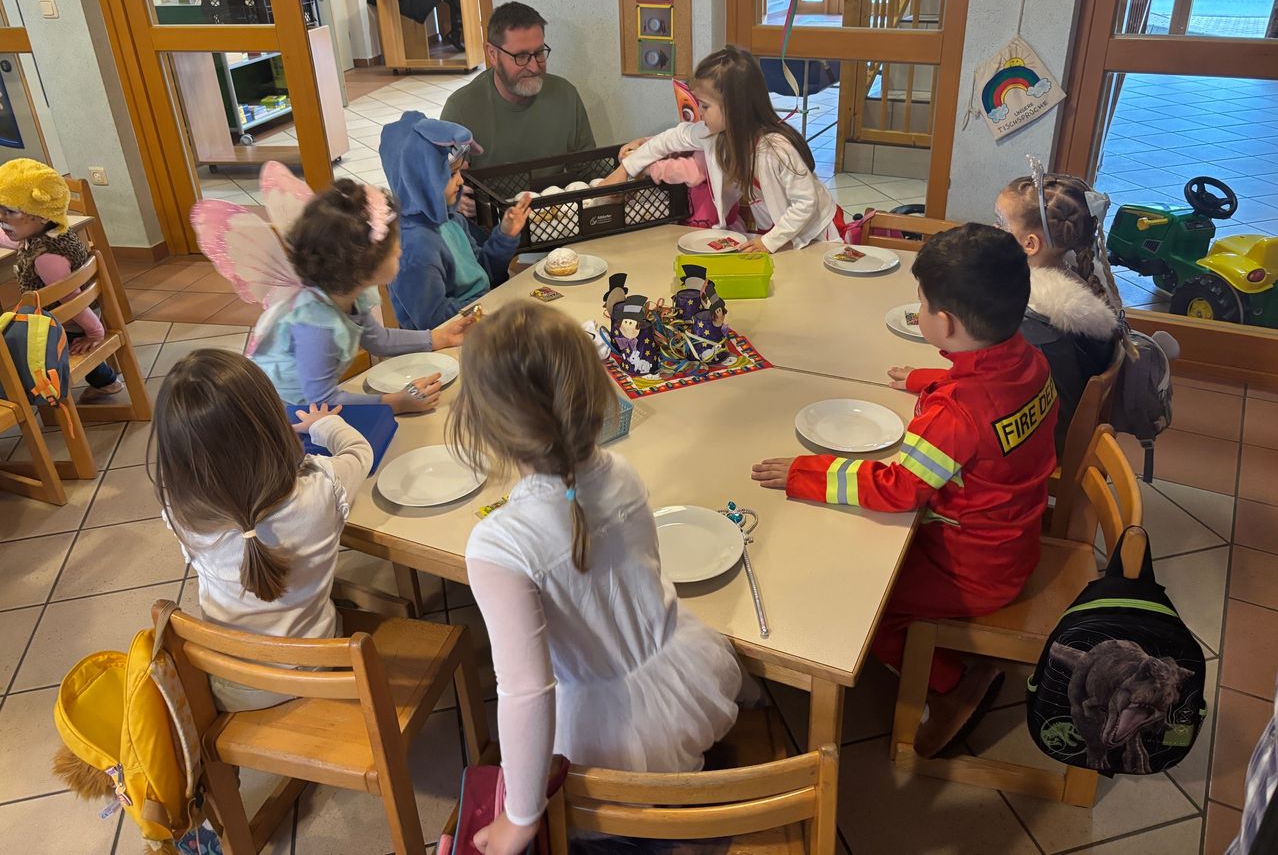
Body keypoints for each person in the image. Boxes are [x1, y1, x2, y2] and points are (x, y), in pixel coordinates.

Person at [752, 225, 1058, 758]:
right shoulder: (1030, 359)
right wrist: (927, 378)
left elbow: (897, 488)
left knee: (873, 606)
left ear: (946, 323)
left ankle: (953, 684)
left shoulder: (955, 415)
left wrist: (806, 471)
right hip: (1013, 535)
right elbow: (989, 389)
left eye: (920, 304)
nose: (917, 311)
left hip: (974, 564)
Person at [448, 301, 741, 855]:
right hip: (676, 679)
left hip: (605, 733)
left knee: (608, 837)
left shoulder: (498, 545)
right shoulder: (622, 473)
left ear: (487, 423)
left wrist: (520, 815)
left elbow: (526, 692)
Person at [150, 349, 372, 711]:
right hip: (319, 669)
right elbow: (359, 451)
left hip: (233, 687)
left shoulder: (181, 516)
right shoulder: (321, 487)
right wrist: (323, 424)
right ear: (272, 423)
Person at [250, 179, 471, 412]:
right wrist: (393, 403)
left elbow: (378, 340)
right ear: (365, 264)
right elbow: (321, 401)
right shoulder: (317, 324)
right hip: (278, 413)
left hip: (310, 406)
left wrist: (438, 338)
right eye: (393, 243)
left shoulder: (347, 293)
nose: (400, 249)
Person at [604, 46, 843, 254]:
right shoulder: (715, 134)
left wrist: (769, 242)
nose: (699, 111)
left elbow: (805, 203)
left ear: (733, 108)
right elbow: (673, 137)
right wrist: (627, 167)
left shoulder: (776, 149)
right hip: (777, 235)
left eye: (705, 105)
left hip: (815, 236)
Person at [996, 172, 1124, 454]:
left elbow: (1009, 389)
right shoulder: (1073, 276)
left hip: (1037, 439)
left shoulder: (1033, 315)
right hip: (1052, 420)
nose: (995, 228)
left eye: (1001, 223)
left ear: (1030, 244)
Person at [379, 112, 530, 330]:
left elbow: (484, 274)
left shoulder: (451, 220)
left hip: (476, 321)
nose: (460, 180)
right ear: (418, 180)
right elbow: (434, 322)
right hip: (450, 342)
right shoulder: (413, 247)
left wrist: (505, 235)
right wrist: (486, 305)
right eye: (450, 174)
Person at [0, 158, 122, 402]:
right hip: (77, 312)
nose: (3, 219)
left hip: (69, 322)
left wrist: (94, 332)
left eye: (9, 212)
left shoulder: (46, 259)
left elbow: (71, 299)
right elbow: (17, 241)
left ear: (41, 215)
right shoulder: (53, 231)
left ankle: (104, 382)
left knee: (15, 343)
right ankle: (105, 380)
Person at [440, 2, 595, 169]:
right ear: (492, 54)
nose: (534, 67)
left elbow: (587, 171)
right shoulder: (460, 110)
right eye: (521, 56)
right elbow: (447, 184)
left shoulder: (566, 95)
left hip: (555, 194)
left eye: (539, 52)